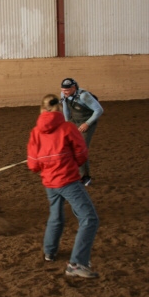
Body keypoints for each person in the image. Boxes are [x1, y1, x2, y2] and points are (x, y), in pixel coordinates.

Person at [27, 94, 99, 278]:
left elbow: (33, 165)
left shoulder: (36, 132)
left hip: (49, 182)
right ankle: (77, 263)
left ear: (42, 110)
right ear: (58, 108)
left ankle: (50, 252)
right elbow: (81, 153)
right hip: (67, 180)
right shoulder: (68, 127)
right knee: (89, 218)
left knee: (56, 214)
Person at [60, 78, 103, 186]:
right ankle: (75, 173)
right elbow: (66, 109)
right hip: (75, 121)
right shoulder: (63, 94)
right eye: (63, 90)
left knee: (80, 149)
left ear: (74, 88)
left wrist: (87, 123)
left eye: (67, 90)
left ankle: (85, 177)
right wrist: (66, 123)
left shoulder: (84, 96)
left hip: (87, 122)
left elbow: (99, 110)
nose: (64, 92)